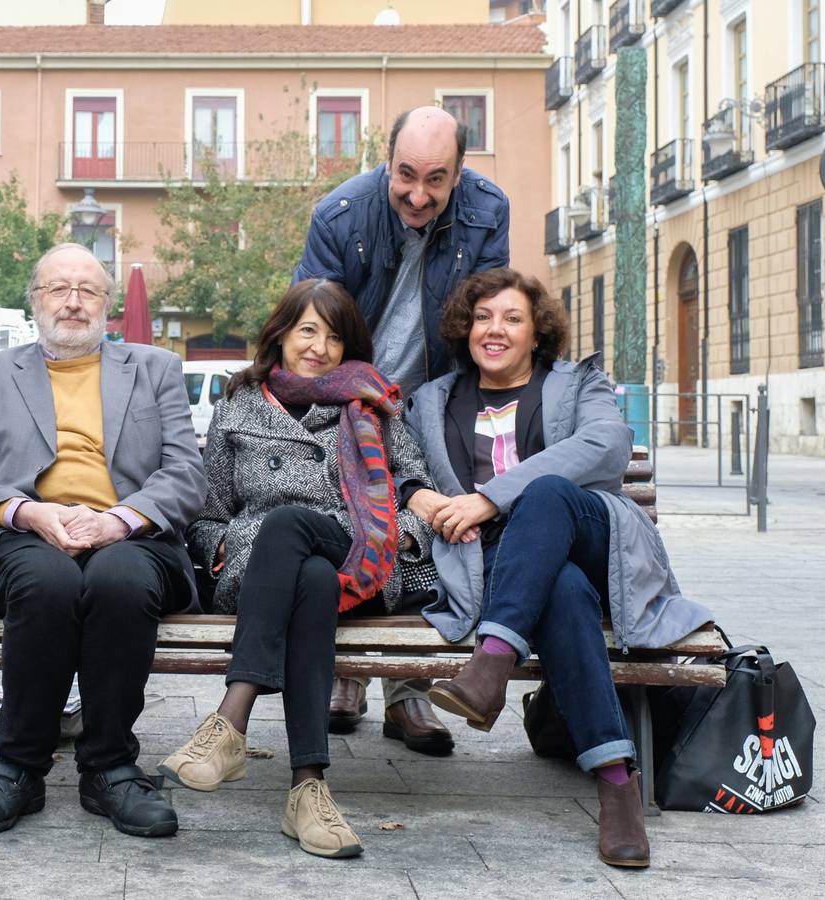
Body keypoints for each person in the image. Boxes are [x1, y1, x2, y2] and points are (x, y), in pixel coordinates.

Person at [404, 268, 713, 868]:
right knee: (562, 590)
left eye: (512, 318)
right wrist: (422, 495)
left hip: (594, 537)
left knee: (545, 493)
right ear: (465, 328)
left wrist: (492, 496)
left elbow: (608, 444)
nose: (495, 330)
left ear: (536, 332)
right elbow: (401, 469)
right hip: (503, 563)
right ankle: (616, 780)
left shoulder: (577, 384)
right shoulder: (433, 400)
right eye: (483, 317)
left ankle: (490, 664)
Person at [158, 279, 435, 858]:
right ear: (281, 332)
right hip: (263, 573)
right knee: (304, 574)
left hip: (360, 556)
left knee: (290, 525)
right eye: (308, 330)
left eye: (335, 336)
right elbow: (206, 515)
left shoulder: (375, 405)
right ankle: (308, 790)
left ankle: (231, 717)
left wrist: (392, 540)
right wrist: (226, 549)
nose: (320, 347)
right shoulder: (239, 407)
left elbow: (418, 499)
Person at [0, 243, 206, 839]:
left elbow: (187, 475)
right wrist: (28, 513)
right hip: (29, 534)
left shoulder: (154, 368)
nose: (73, 302)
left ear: (108, 306)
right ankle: (18, 767)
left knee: (119, 581)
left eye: (87, 290)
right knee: (47, 582)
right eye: (58, 288)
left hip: (131, 533)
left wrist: (121, 520)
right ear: (35, 301)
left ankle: (110, 768)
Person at [293, 105, 510, 751]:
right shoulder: (339, 215)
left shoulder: (488, 210)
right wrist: (343, 403)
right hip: (349, 395)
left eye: (436, 180)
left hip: (434, 400)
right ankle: (348, 677)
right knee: (346, 526)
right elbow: (315, 318)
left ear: (460, 174)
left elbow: (486, 314)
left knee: (423, 535)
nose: (418, 195)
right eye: (406, 175)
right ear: (387, 161)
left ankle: (409, 694)